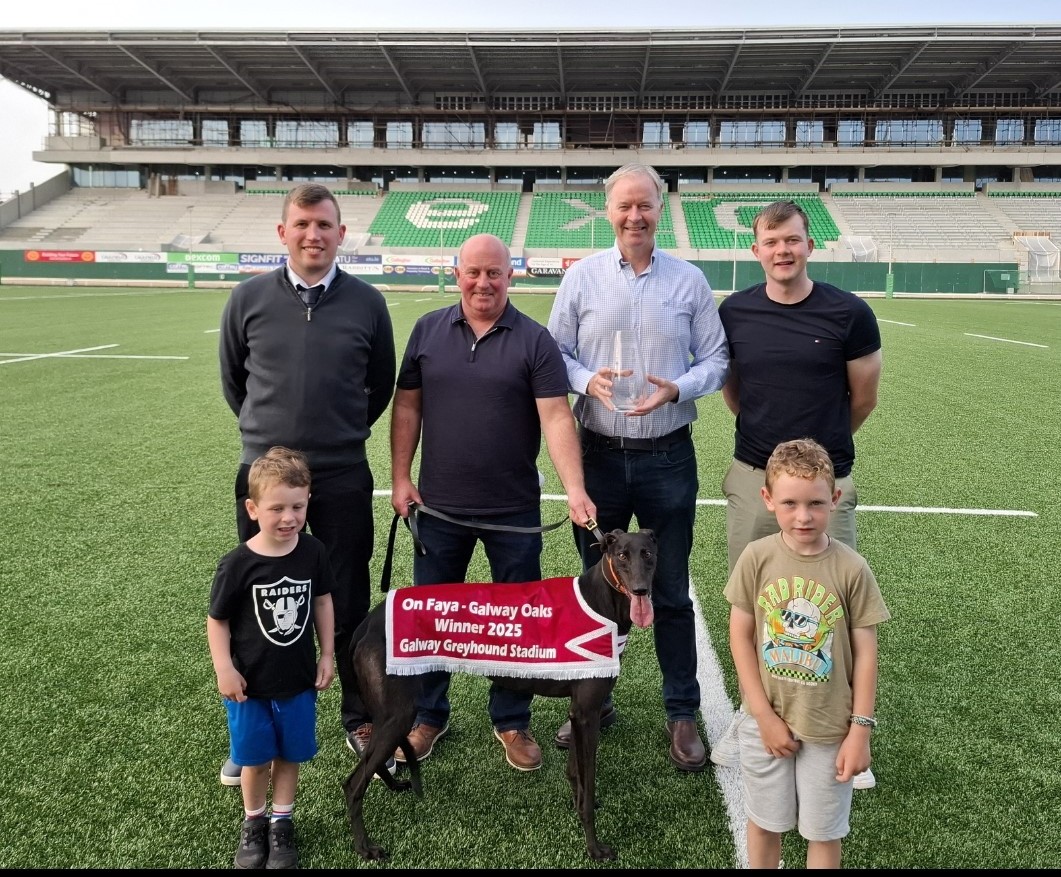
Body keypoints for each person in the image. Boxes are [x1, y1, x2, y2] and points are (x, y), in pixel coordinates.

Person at [389, 232, 596, 772]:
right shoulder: (427, 330)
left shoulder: (534, 339)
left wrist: (574, 488)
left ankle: (511, 720)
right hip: (438, 508)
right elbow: (407, 407)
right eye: (473, 272)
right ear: (457, 272)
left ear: (512, 274)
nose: (483, 283)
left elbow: (555, 416)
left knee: (516, 620)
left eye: (495, 273)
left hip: (513, 511)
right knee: (432, 614)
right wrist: (400, 477)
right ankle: (429, 714)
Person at [546, 162, 729, 772]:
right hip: (597, 455)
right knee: (598, 591)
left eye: (644, 205)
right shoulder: (581, 280)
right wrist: (585, 380)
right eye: (624, 206)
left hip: (667, 457)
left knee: (670, 591)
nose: (634, 216)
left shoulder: (690, 281)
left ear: (660, 207)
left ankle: (681, 712)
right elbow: (556, 355)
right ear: (609, 210)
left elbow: (717, 357)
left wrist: (676, 388)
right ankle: (597, 702)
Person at [218, 183, 396, 785]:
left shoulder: (368, 303)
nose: (313, 235)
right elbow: (234, 384)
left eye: (324, 225)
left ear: (341, 234)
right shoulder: (246, 299)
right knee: (258, 602)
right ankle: (252, 728)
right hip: (265, 476)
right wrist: (273, 448)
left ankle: (356, 713)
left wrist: (337, 437)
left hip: (343, 475)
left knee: (344, 596)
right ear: (283, 232)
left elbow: (380, 385)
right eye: (302, 224)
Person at [712, 199, 883, 788]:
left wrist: (816, 466)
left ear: (810, 244)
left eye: (792, 240)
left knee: (831, 608)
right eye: (771, 242)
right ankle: (754, 716)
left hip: (824, 483)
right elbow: (735, 392)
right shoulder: (735, 311)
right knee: (757, 605)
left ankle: (841, 726)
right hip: (753, 478)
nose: (782, 251)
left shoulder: (848, 312)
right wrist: (775, 464)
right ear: (755, 250)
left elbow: (863, 398)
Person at [724, 438, 890, 869]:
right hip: (766, 723)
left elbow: (866, 653)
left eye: (816, 503)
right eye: (790, 502)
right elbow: (740, 636)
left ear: (834, 499)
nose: (803, 516)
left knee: (823, 832)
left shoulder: (852, 568)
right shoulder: (756, 558)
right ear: (767, 499)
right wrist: (762, 716)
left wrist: (860, 730)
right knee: (764, 823)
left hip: (830, 727)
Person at [207, 447, 336, 870]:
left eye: (297, 506)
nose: (288, 517)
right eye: (276, 507)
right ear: (252, 507)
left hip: (297, 681)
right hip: (249, 687)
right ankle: (254, 821)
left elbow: (321, 602)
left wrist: (327, 653)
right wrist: (224, 668)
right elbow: (218, 620)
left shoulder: (313, 551)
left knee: (290, 756)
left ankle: (282, 821)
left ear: (308, 503)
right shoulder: (238, 563)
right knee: (254, 758)